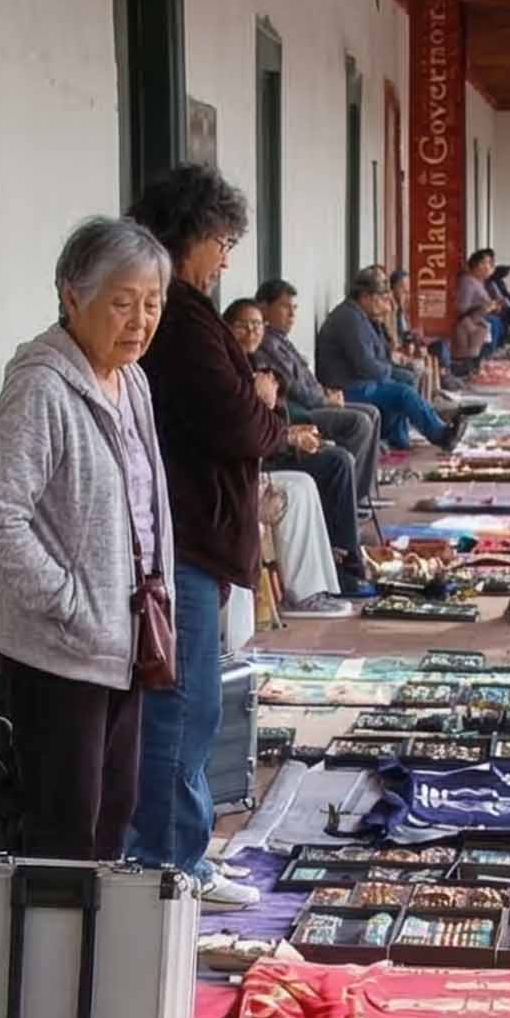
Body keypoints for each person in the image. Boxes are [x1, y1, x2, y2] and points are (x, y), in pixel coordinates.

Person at [124, 163, 313, 906]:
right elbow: (239, 420)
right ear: (192, 235)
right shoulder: (179, 316)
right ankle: (170, 862)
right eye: (223, 240)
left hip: (195, 532)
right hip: (185, 537)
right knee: (183, 703)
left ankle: (183, 851)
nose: (228, 258)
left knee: (195, 700)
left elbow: (243, 411)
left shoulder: (190, 311)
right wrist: (263, 402)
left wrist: (258, 402)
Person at [0, 217, 174, 859]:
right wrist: (71, 605)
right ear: (71, 296)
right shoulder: (42, 386)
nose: (140, 320)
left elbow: (142, 502)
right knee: (65, 828)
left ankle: (103, 951)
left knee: (115, 812)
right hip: (60, 650)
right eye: (122, 303)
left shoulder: (131, 379)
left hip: (128, 635)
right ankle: (57, 960)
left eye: (152, 303)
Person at [223, 299, 344, 612]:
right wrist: (264, 405)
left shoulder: (258, 365)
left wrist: (285, 423)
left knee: (305, 483)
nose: (250, 331)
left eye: (257, 325)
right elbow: (245, 430)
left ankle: (320, 587)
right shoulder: (226, 368)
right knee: (295, 490)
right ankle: (303, 593)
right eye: (241, 325)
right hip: (236, 472)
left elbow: (273, 419)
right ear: (226, 329)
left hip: (260, 460)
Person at [250, 276, 383, 499]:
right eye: (285, 307)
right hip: (300, 411)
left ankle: (359, 494)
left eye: (294, 308)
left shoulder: (281, 339)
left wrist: (325, 392)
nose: (292, 315)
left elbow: (305, 378)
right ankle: (347, 496)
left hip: (315, 400)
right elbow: (294, 388)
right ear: (263, 307)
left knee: (372, 413)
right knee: (359, 422)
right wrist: (325, 400)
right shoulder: (267, 342)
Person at [313, 270, 465, 451]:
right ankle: (440, 435)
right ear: (365, 297)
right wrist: (388, 371)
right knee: (403, 393)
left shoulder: (362, 316)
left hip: (360, 381)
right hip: (347, 387)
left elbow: (382, 353)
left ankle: (399, 438)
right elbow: (366, 366)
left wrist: (381, 327)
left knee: (405, 380)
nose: (385, 301)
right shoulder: (350, 319)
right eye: (380, 297)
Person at [452, 250, 496, 372]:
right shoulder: (468, 282)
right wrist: (482, 308)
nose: (489, 266)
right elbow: (462, 307)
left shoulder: (478, 281)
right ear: (478, 264)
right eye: (485, 262)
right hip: (470, 323)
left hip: (479, 321)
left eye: (490, 263)